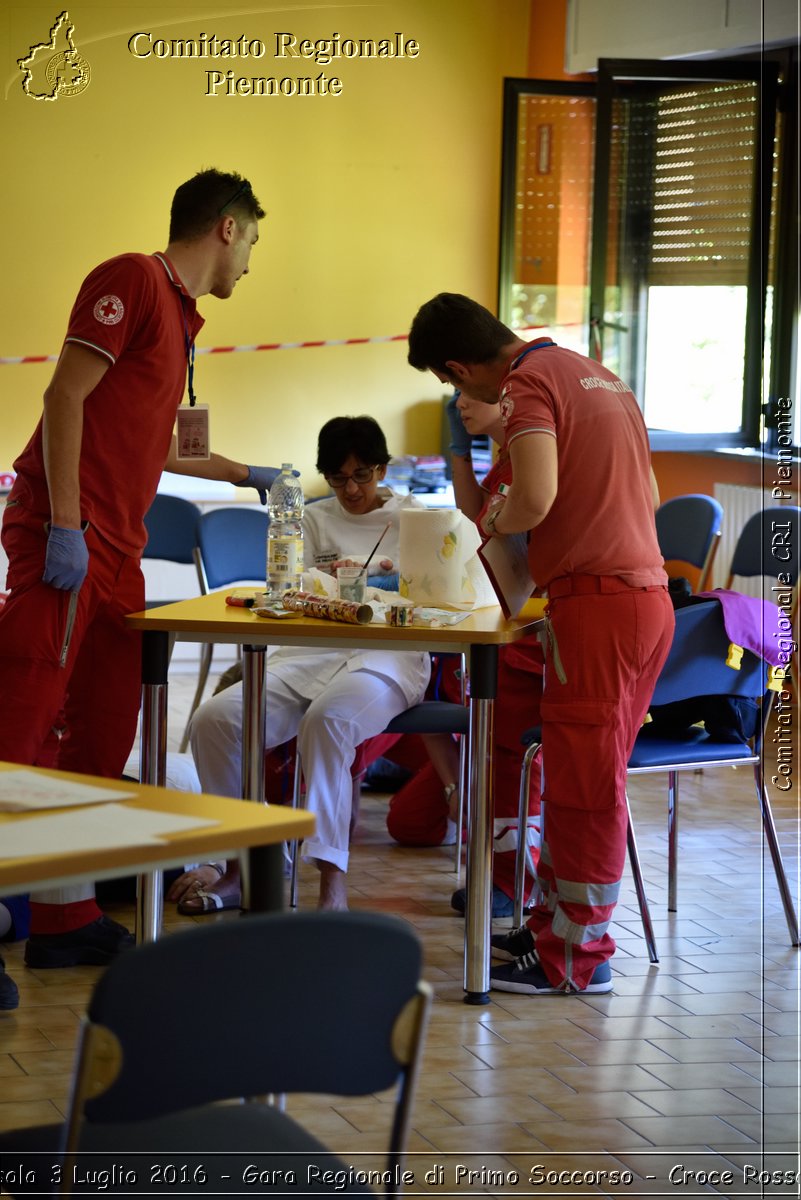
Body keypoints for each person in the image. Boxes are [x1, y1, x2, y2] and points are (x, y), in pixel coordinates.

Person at [0, 169, 284, 1009]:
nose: (251, 266)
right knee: (19, 732)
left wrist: (247, 475)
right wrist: (61, 523)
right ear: (227, 228)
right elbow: (64, 395)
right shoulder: (133, 279)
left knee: (102, 732)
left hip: (116, 554)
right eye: (254, 245)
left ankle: (63, 915)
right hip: (70, 537)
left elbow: (156, 442)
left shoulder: (182, 320)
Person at [407, 293, 674, 996]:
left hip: (599, 610)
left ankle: (577, 960)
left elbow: (534, 497)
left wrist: (493, 520)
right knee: (573, 775)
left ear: (462, 367)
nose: (463, 395)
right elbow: (645, 494)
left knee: (586, 788)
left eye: (454, 383)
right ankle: (551, 926)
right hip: (641, 599)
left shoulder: (527, 382)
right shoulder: (595, 374)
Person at [186, 416, 431, 911]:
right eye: (339, 478)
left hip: (386, 658)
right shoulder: (311, 519)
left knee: (329, 720)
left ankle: (331, 885)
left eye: (362, 475)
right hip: (308, 652)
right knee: (214, 721)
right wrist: (323, 586)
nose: (351, 489)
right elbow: (289, 590)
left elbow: (438, 593)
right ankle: (243, 864)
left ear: (382, 470)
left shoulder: (417, 519)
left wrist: (381, 584)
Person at [386, 390, 544, 918]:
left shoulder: (534, 456)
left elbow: (511, 534)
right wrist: (460, 450)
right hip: (492, 631)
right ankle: (497, 868)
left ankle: (513, 883)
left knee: (513, 768)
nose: (461, 404)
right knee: (409, 822)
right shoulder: (503, 462)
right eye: (456, 398)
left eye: (475, 396)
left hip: (527, 635)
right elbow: (474, 513)